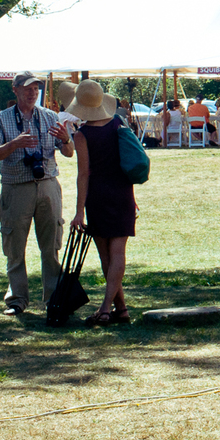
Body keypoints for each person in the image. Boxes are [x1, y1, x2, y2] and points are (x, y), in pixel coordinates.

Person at [0, 71, 74, 320]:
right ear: (15, 90)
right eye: (27, 89)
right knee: (14, 246)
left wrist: (66, 140)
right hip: (16, 187)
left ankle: (53, 298)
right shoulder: (0, 119)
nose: (32, 93)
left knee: (51, 246)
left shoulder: (50, 116)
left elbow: (68, 152)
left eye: (35, 88)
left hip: (47, 185)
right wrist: (14, 144)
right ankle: (17, 299)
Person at [66, 81, 141, 323]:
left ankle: (106, 309)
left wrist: (79, 211)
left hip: (97, 196)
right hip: (123, 193)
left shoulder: (82, 135)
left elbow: (83, 174)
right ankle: (122, 310)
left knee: (105, 256)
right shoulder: (119, 124)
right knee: (118, 252)